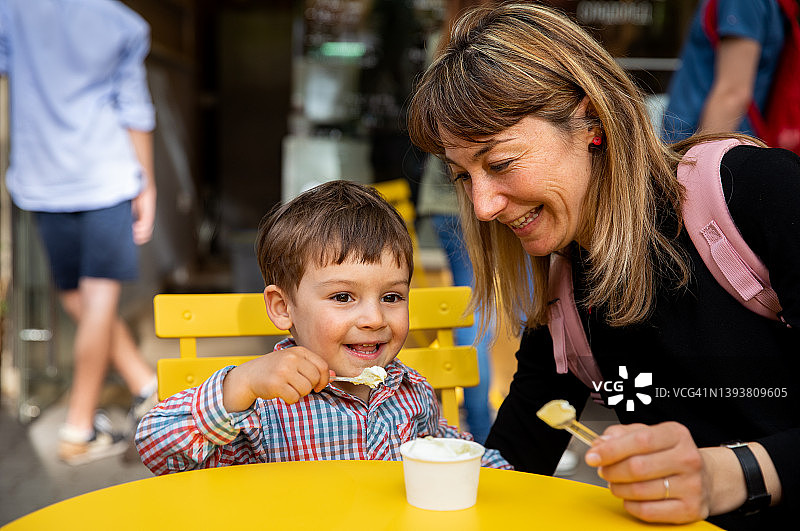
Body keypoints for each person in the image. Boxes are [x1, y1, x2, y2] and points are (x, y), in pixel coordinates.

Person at [407, 3, 798, 530]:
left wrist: (724, 475)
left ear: (589, 119)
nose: (482, 206)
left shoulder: (753, 192)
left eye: (500, 163)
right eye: (462, 176)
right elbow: (513, 467)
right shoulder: (568, 296)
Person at [135, 181, 511, 475]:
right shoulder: (264, 405)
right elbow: (156, 447)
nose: (374, 319)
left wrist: (509, 478)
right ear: (284, 309)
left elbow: (450, 452)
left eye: (392, 297)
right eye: (343, 297)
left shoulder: (412, 393)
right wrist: (241, 384)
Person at [0, 0, 158, 465]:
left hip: (40, 181)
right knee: (94, 301)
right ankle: (78, 428)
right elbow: (135, 110)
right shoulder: (123, 24)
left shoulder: (11, 10)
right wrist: (146, 183)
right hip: (104, 179)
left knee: (79, 298)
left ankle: (144, 384)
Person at [662, 0, 786, 141]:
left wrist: (700, 158)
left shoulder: (741, 3)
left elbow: (732, 94)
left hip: (701, 147)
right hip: (702, 145)